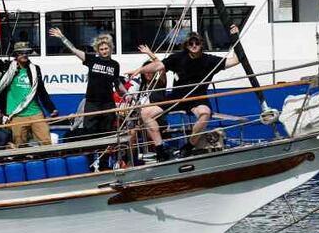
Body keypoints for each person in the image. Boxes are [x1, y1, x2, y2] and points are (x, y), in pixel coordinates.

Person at [129, 26, 241, 161]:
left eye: (197, 43)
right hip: (177, 97)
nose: (194, 45)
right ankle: (160, 149)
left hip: (197, 98)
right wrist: (139, 70)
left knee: (205, 113)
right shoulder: (178, 57)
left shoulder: (210, 60)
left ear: (201, 44)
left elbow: (235, 60)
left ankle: (189, 146)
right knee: (145, 113)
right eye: (191, 43)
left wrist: (236, 37)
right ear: (187, 45)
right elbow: (158, 66)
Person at [49, 28, 124, 138]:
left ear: (110, 48)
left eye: (106, 48)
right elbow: (74, 49)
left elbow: (117, 83)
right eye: (101, 49)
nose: (104, 51)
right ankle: (90, 155)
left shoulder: (115, 64)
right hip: (92, 103)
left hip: (108, 103)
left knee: (107, 133)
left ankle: (105, 155)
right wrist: (62, 37)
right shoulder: (92, 60)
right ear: (98, 50)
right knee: (89, 132)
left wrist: (127, 94)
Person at [0, 40, 59, 146]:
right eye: (21, 52)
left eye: (26, 52)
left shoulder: (35, 69)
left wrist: (51, 108)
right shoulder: (8, 67)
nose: (24, 55)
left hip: (36, 113)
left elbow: (42, 91)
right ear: (15, 55)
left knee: (46, 142)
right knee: (20, 145)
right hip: (16, 114)